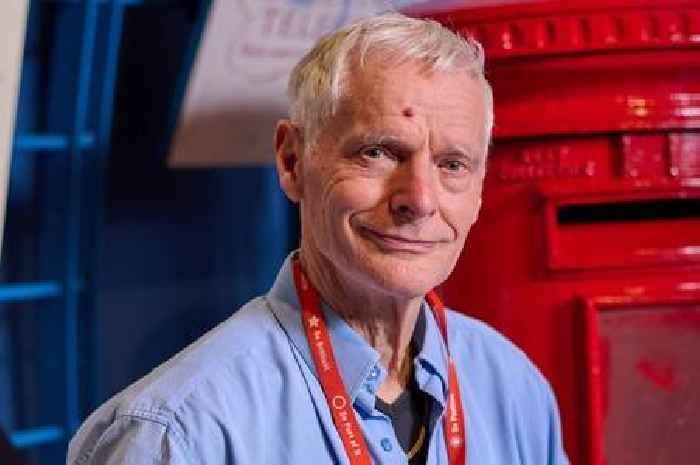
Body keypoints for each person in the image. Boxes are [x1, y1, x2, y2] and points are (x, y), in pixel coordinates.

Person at [67, 12, 569, 465]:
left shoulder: (514, 387)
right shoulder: (178, 435)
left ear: (479, 188)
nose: (419, 199)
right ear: (292, 162)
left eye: (452, 165)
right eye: (377, 152)